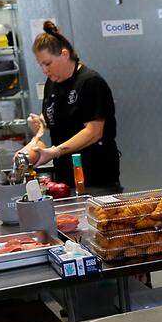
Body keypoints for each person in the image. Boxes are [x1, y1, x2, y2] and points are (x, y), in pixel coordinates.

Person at [22, 21, 121, 193]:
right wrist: (40, 122)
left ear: (65, 54)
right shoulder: (53, 82)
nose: (44, 70)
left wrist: (55, 151)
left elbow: (93, 131)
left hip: (95, 175)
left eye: (48, 63)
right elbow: (57, 114)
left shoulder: (90, 82)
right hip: (64, 175)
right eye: (41, 65)